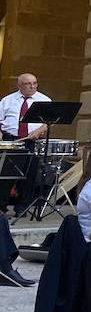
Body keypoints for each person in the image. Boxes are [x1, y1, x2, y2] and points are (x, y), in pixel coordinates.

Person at [0, 72, 49, 214]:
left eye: (34, 83)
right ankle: (1, 205)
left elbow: (48, 122)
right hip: (11, 140)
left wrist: (39, 131)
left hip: (32, 140)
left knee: (30, 174)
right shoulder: (7, 100)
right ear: (19, 85)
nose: (32, 86)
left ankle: (22, 207)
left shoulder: (44, 100)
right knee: (6, 174)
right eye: (28, 84)